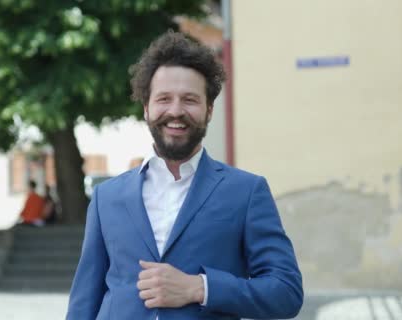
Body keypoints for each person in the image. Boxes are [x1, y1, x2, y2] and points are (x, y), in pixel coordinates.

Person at [67, 31, 303, 319]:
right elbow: (83, 303)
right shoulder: (107, 197)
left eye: (189, 100)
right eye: (164, 99)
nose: (176, 111)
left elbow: (286, 292)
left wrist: (200, 288)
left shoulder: (247, 191)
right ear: (146, 108)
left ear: (209, 110)